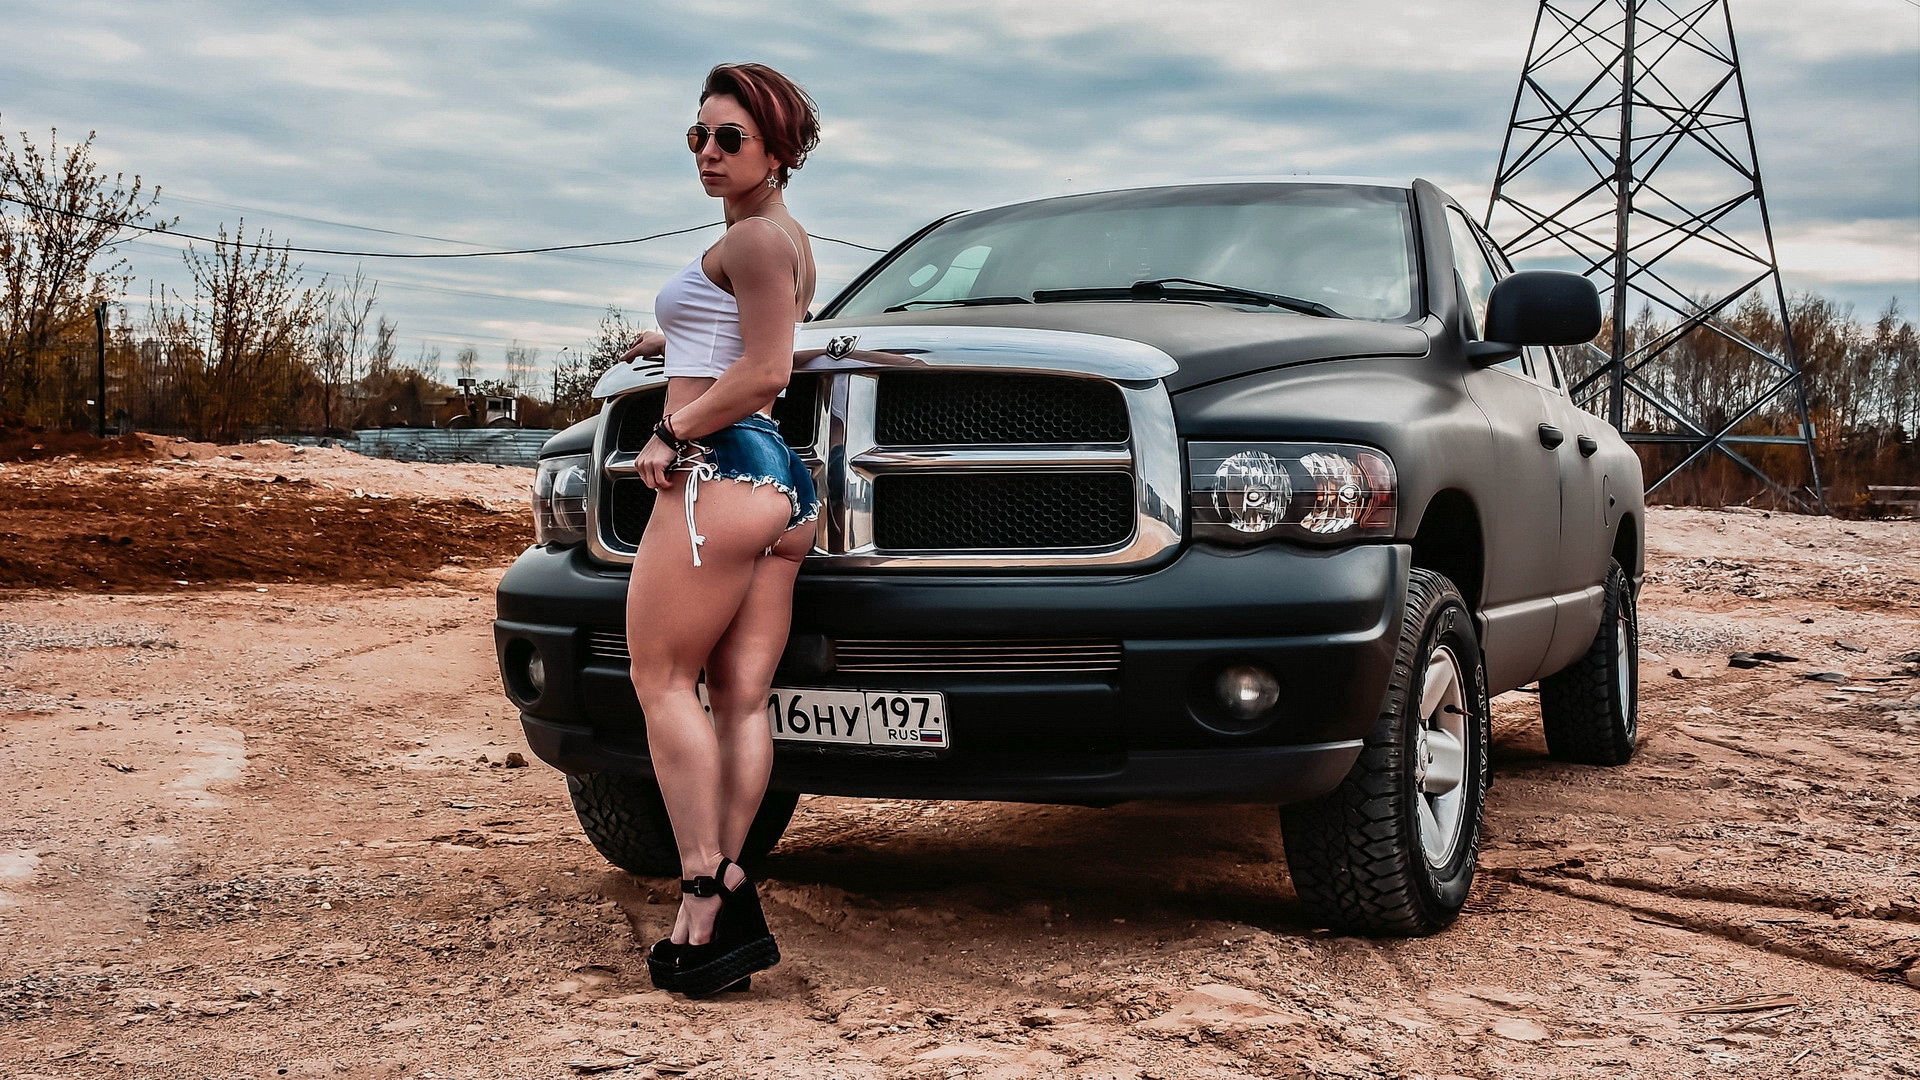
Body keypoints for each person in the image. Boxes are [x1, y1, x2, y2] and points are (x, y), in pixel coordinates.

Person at [614, 62, 821, 998]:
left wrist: (672, 427)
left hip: (723, 472)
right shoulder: (776, 240)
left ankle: (704, 891)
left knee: (660, 678)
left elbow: (767, 369)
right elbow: (746, 337)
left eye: (729, 138)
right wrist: (673, 345)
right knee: (739, 701)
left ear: (777, 147)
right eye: (696, 135)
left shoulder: (754, 244)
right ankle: (728, 888)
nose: (707, 152)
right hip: (780, 490)